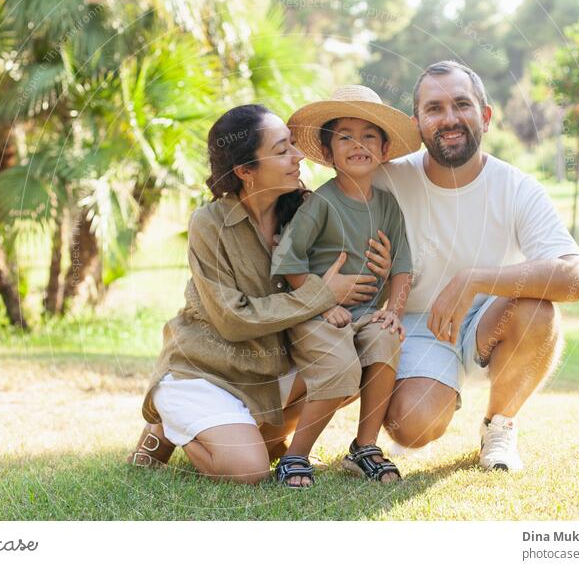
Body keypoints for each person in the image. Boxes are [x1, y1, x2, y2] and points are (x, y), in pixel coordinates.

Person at [128, 104, 392, 484]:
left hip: (269, 373)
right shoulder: (209, 224)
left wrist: (378, 267)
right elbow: (233, 320)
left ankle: (230, 432)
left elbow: (344, 277)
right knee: (250, 469)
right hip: (207, 372)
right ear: (246, 171)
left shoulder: (307, 208)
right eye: (283, 150)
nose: (298, 156)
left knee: (357, 362)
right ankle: (172, 425)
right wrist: (320, 295)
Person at [374, 61, 579, 472]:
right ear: (417, 122)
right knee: (412, 427)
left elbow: (576, 279)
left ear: (485, 116)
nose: (449, 118)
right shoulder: (388, 180)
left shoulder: (516, 187)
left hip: (486, 320)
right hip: (415, 328)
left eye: (462, 104)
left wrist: (474, 281)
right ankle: (424, 396)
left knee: (536, 308)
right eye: (434, 108)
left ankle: (499, 426)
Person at [270, 85, 420, 487]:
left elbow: (402, 266)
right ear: (328, 152)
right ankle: (295, 456)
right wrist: (321, 302)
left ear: (384, 150)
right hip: (318, 313)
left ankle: (364, 446)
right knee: (339, 366)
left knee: (386, 341)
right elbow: (288, 261)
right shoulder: (321, 203)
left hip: (365, 314)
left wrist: (394, 312)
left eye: (369, 135)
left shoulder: (388, 205)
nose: (358, 145)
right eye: (345, 137)